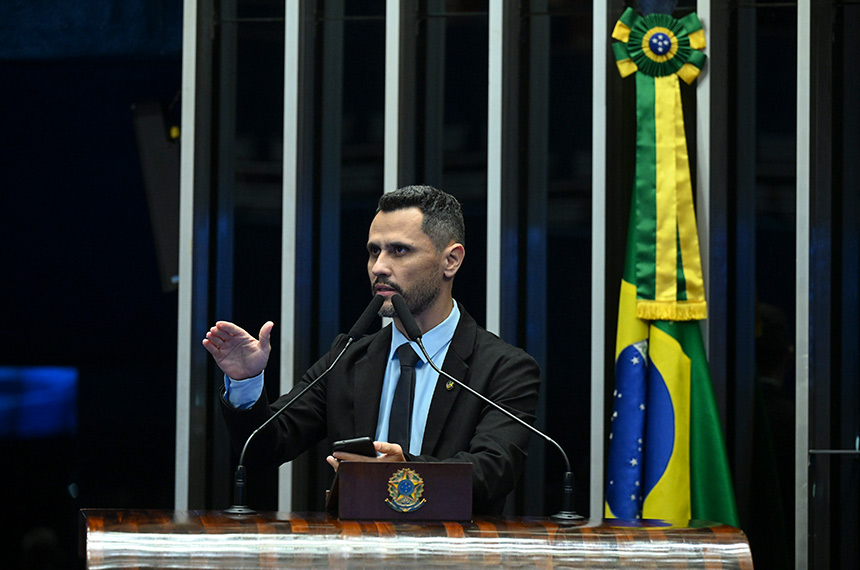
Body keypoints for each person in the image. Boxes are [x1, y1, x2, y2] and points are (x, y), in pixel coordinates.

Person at [203, 185, 541, 514]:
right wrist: (246, 382)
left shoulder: (504, 368)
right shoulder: (348, 358)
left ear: (450, 260)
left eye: (399, 251)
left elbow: (493, 472)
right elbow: (265, 447)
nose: (379, 266)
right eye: (373, 251)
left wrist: (404, 469)